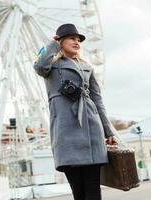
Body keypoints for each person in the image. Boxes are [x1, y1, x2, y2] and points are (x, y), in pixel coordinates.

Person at [33, 23, 115, 200]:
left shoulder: (87, 67)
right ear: (60, 41)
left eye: (78, 40)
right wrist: (52, 45)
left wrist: (108, 131)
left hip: (91, 129)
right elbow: (39, 66)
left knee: (93, 190)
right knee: (78, 192)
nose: (76, 42)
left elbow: (97, 100)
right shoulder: (50, 66)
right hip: (66, 131)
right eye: (71, 38)